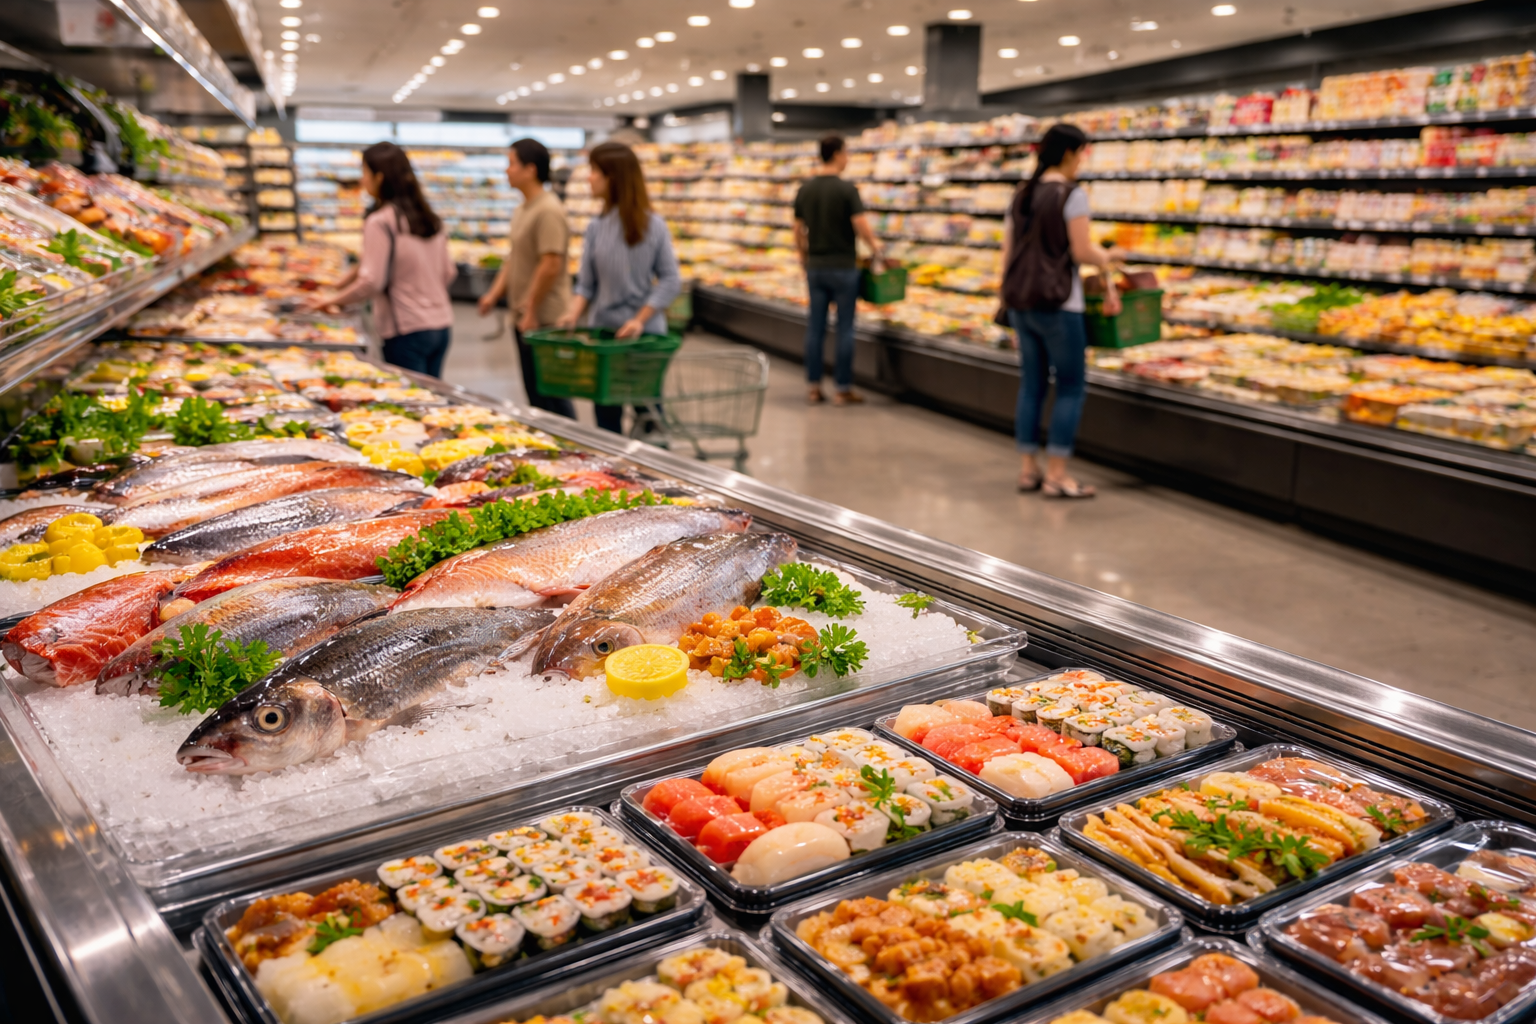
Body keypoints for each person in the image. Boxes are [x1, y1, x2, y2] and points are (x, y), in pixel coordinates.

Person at [1000, 123, 1119, 499]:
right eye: (1082, 153)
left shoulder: (1021, 193)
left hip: (1020, 301)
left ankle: (1026, 470)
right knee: (1069, 387)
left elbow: (1007, 254)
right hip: (1060, 304)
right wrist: (1109, 258)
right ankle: (1057, 475)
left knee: (1032, 385)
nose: (1082, 161)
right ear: (1069, 152)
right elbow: (1082, 252)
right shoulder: (1072, 194)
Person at [556, 141, 681, 434]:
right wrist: (572, 315)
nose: (589, 177)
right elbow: (586, 283)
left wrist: (639, 320)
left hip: (644, 339)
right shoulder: (596, 227)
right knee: (606, 419)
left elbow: (671, 279)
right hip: (605, 337)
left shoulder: (654, 225)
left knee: (648, 415)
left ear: (612, 177)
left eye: (594, 171)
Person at [304, 142, 455, 377]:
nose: (362, 180)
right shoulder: (430, 219)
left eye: (364, 172)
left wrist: (332, 302)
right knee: (430, 402)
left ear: (380, 177)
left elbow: (371, 281)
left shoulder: (381, 221)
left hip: (405, 329)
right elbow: (449, 272)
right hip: (441, 325)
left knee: (410, 402)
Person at [477, 137, 576, 419]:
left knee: (553, 397)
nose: (506, 171)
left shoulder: (548, 210)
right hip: (525, 315)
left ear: (530, 169)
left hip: (544, 319)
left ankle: (571, 453)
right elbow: (515, 258)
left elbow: (551, 264)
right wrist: (494, 295)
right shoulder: (524, 208)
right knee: (535, 394)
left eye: (511, 164)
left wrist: (531, 309)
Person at [793, 133, 885, 406]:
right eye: (847, 153)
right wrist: (878, 249)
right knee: (845, 328)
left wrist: (804, 259)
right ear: (836, 154)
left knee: (815, 328)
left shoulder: (805, 190)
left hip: (816, 267)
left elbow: (798, 231)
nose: (848, 159)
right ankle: (842, 389)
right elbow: (861, 225)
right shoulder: (847, 190)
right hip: (844, 267)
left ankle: (813, 386)